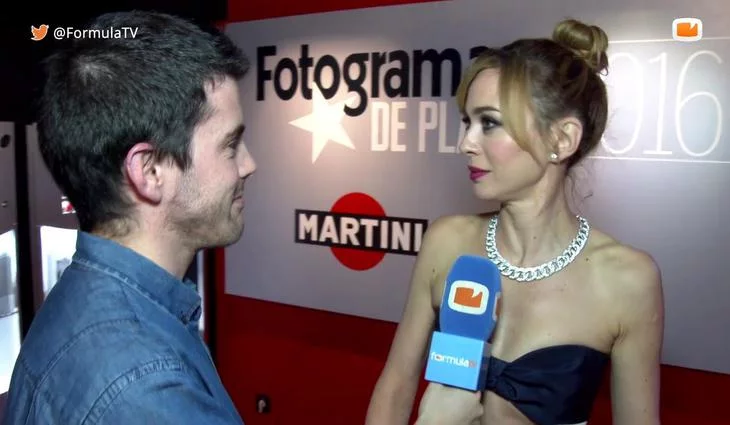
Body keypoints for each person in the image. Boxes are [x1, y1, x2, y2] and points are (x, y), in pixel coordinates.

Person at [365, 18, 664, 425]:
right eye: (467, 122)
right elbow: (396, 387)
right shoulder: (446, 242)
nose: (465, 143)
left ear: (562, 139)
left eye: (489, 123)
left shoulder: (629, 279)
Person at [2, 10, 255, 425]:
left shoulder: (84, 301)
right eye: (230, 145)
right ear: (150, 171)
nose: (248, 165)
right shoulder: (143, 387)